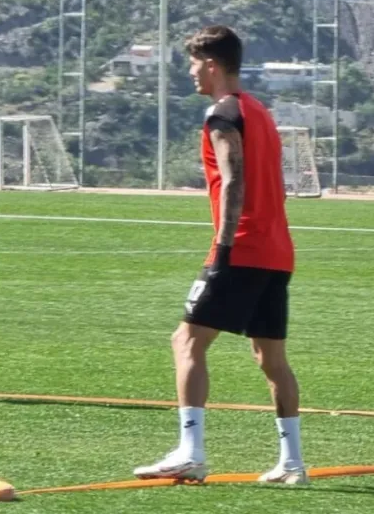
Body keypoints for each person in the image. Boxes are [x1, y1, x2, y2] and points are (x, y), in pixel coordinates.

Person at [133, 25, 306, 485]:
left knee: (185, 341)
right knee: (271, 359)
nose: (190, 72)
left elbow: (234, 180)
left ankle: (190, 452)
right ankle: (292, 463)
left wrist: (224, 248)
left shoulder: (222, 113)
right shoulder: (260, 112)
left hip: (242, 246)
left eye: (193, 63)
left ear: (211, 64)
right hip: (277, 249)